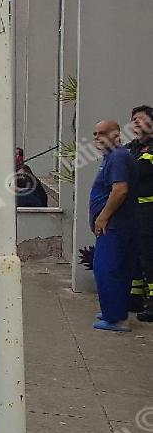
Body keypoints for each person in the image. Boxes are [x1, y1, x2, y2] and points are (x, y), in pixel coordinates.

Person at [90, 120, 140, 331]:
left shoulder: (117, 157)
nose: (97, 138)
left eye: (102, 133)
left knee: (106, 269)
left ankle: (116, 319)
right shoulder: (114, 157)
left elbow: (120, 190)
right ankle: (115, 311)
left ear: (116, 135)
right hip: (121, 224)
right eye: (95, 134)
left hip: (115, 225)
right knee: (118, 269)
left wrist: (103, 217)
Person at [126, 106, 153, 321]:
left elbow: (140, 171)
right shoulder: (131, 147)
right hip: (133, 210)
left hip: (148, 210)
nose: (135, 122)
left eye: (140, 119)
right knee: (134, 253)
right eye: (133, 119)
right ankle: (135, 297)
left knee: (148, 255)